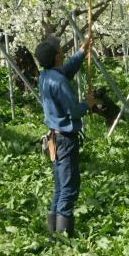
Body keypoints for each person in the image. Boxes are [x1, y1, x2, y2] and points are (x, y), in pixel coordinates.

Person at [35, 33, 95, 237]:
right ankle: (64, 236)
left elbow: (65, 72)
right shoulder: (58, 82)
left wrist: (82, 50)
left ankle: (53, 231)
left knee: (60, 186)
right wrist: (89, 103)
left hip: (54, 137)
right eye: (60, 51)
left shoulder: (46, 77)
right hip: (65, 140)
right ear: (56, 57)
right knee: (69, 187)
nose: (62, 52)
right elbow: (74, 111)